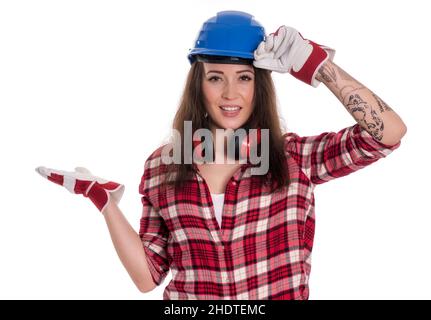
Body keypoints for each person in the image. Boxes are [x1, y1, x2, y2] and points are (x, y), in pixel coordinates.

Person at [36, 10, 407, 300]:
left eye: (244, 78)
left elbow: (388, 133)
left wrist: (319, 66)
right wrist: (102, 201)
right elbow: (148, 277)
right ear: (199, 83)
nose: (231, 93)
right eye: (216, 77)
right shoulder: (162, 166)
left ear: (259, 85)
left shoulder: (295, 157)